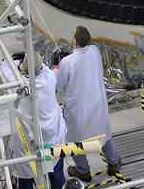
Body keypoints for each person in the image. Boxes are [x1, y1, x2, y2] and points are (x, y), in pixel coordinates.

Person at [54, 26, 121, 182]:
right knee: (103, 134)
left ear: (75, 41)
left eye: (72, 35)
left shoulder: (68, 62)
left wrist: (56, 66)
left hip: (78, 110)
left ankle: (83, 171)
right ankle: (112, 163)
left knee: (76, 139)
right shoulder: (94, 51)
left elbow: (58, 81)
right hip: (97, 105)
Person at [1, 51, 66, 189]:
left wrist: (18, 62)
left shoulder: (16, 83)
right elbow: (44, 67)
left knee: (26, 172)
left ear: (23, 68)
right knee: (55, 170)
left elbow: (4, 67)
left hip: (27, 138)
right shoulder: (49, 79)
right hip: (51, 134)